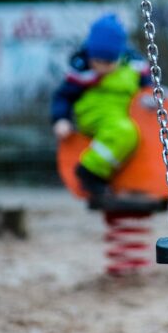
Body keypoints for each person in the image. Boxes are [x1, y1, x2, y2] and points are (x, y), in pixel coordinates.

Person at [51, 14, 151, 206]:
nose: (102, 68)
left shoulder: (134, 67)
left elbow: (149, 89)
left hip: (124, 114)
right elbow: (63, 96)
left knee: (136, 132)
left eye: (108, 62)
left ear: (120, 56)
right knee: (123, 132)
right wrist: (60, 119)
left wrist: (150, 99)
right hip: (94, 113)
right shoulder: (82, 71)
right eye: (97, 61)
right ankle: (89, 171)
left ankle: (125, 177)